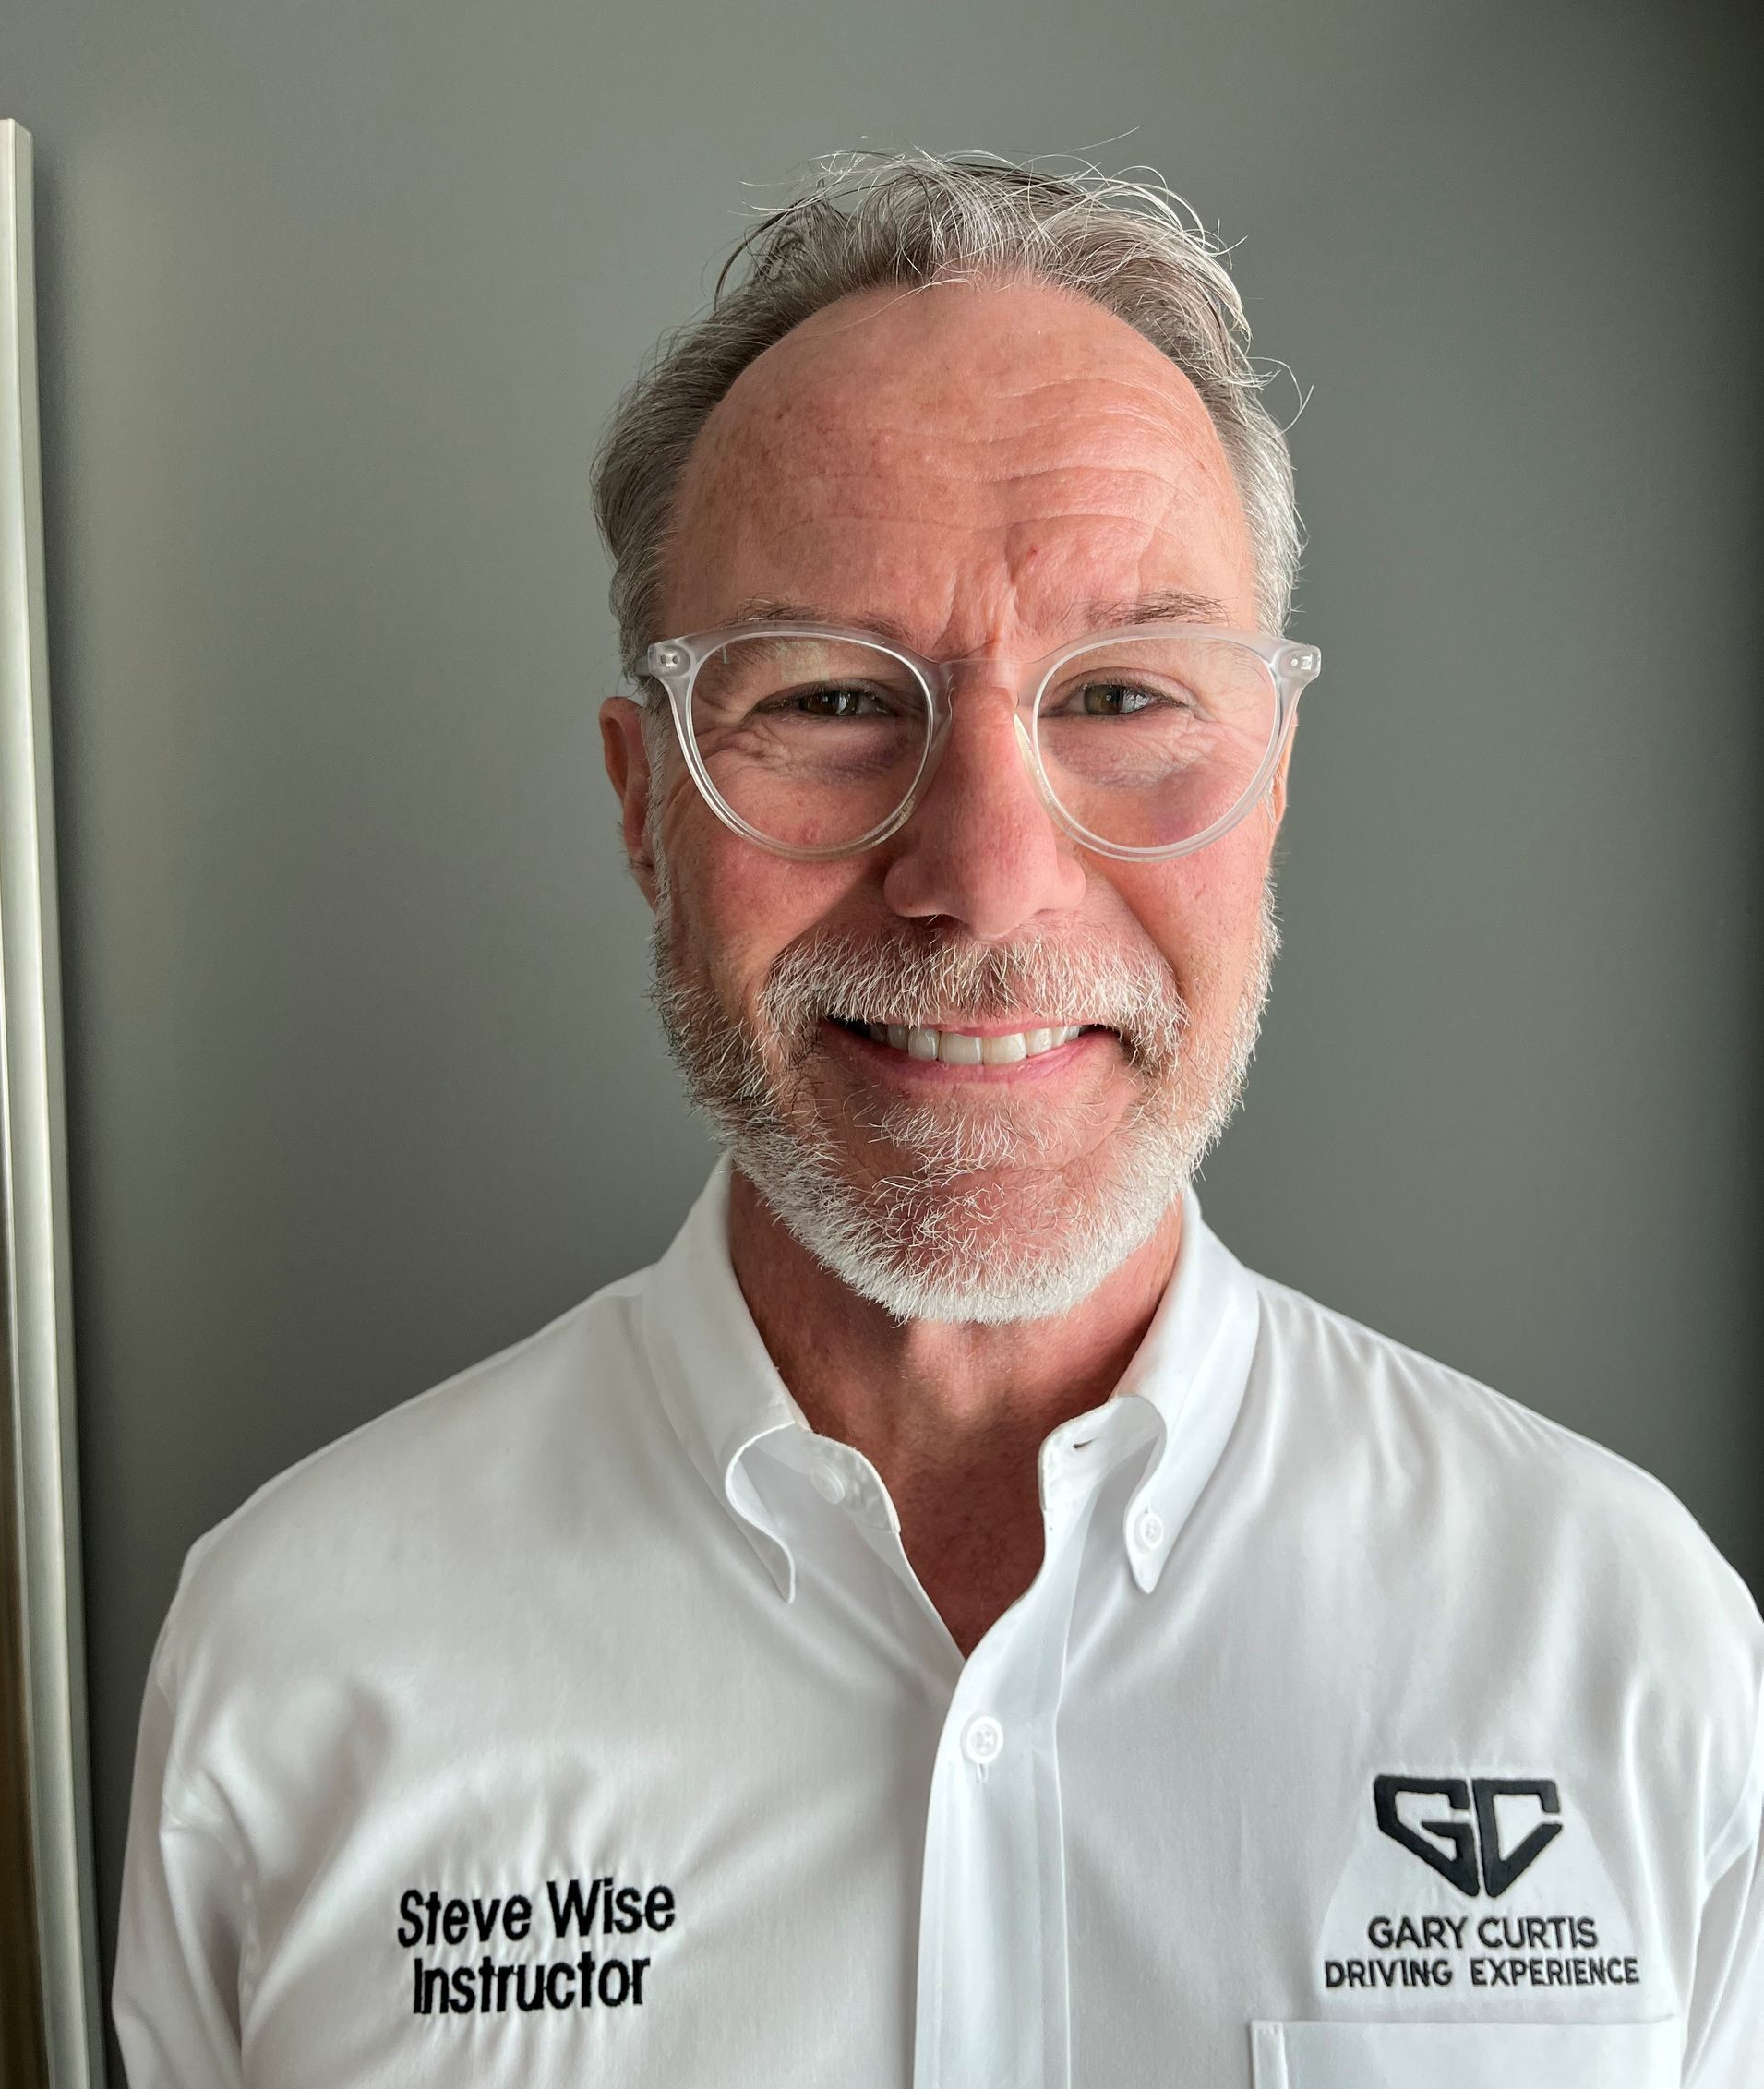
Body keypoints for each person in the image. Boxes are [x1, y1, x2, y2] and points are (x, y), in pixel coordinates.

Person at [113, 151, 1762, 2088]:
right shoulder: (298, 1664)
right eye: (823, 702)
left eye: (1127, 694)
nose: (984, 881)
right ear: (645, 803)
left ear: (1275, 784)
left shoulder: (1621, 1650)